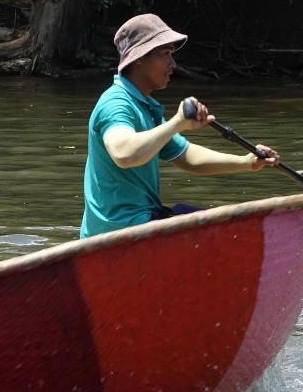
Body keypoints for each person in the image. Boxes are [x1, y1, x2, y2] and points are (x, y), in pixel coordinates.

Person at [80, 13, 281, 238]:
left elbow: (187, 157)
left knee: (206, 221)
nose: (173, 64)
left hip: (142, 221)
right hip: (118, 231)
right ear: (139, 58)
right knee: (217, 232)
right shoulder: (115, 104)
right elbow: (124, 154)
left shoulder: (146, 107)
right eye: (165, 54)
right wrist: (177, 123)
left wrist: (248, 162)